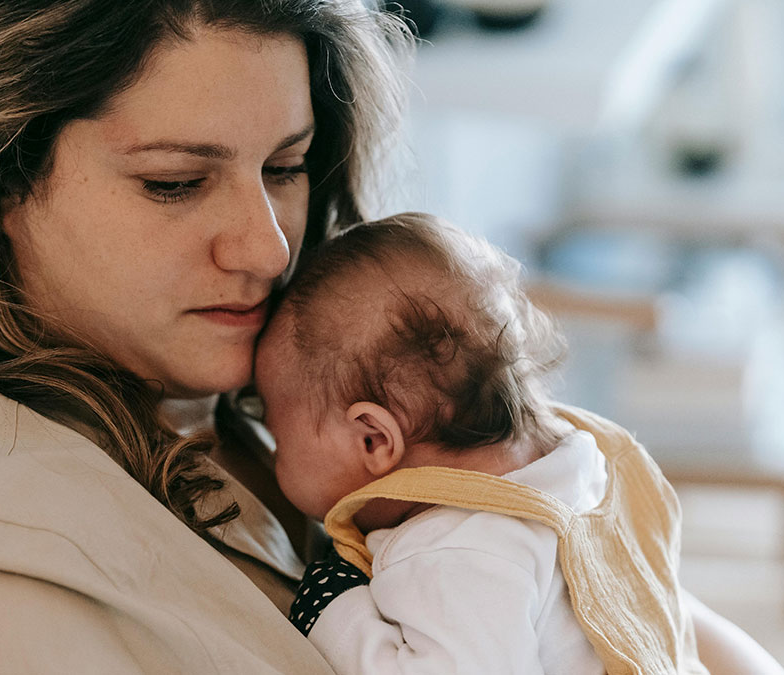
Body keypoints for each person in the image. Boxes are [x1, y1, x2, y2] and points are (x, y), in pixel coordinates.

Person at [0, 1, 784, 673]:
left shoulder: (209, 388)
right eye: (175, 182)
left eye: (287, 167)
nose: (264, 245)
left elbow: (614, 603)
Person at [253, 213, 704, 673]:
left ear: (373, 440)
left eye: (276, 432)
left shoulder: (453, 549)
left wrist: (334, 613)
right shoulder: (587, 468)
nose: (270, 452)